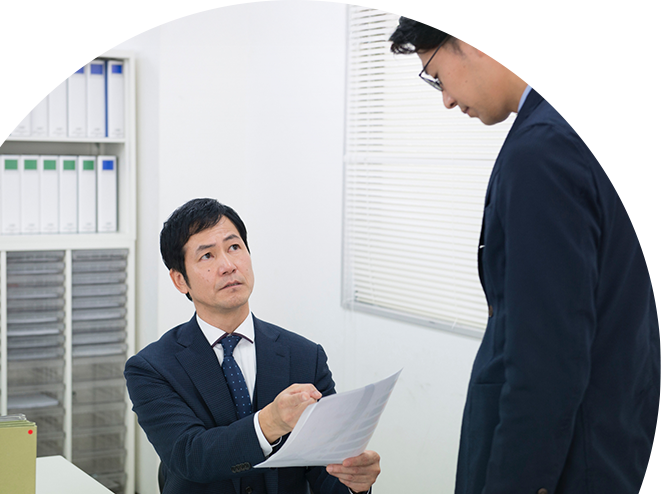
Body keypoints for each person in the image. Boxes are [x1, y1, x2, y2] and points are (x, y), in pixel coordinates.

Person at [390, 1, 659, 494]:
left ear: (473, 29)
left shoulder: (546, 147)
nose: (446, 99)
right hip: (624, 452)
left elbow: (545, 370)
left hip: (567, 469)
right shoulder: (621, 120)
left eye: (436, 75)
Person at [125, 198, 381, 494]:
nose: (228, 266)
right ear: (180, 280)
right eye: (207, 256)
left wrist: (354, 483)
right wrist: (270, 422)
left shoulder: (305, 356)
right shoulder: (152, 368)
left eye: (234, 247)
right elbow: (191, 456)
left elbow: (325, 467)